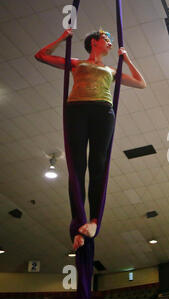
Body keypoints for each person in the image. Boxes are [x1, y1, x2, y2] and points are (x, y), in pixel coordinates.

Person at [35, 28, 146, 251]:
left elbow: (140, 83)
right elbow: (41, 55)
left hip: (103, 112)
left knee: (98, 165)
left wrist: (127, 59)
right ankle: (78, 224)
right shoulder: (76, 63)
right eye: (107, 40)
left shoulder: (111, 69)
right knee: (77, 167)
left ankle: (94, 221)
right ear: (94, 42)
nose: (110, 45)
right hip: (77, 110)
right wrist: (63, 37)